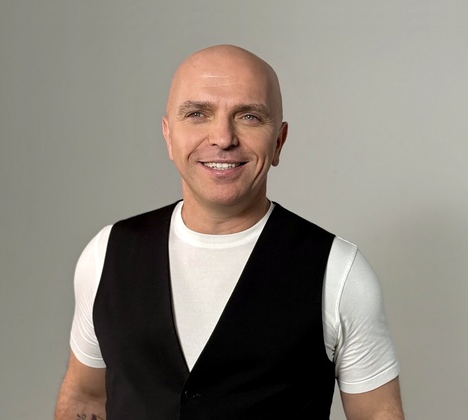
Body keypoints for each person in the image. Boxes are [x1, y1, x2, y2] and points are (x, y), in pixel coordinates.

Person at [54, 44, 405, 420]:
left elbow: (377, 414)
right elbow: (85, 397)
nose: (223, 138)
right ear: (169, 136)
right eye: (197, 114)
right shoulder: (106, 254)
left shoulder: (339, 271)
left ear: (278, 142)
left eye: (249, 116)